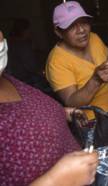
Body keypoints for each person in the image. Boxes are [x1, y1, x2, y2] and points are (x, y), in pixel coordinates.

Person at [0, 31, 98, 186]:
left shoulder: (6, 78)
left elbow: (28, 107)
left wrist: (61, 113)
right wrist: (57, 180)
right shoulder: (57, 60)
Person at [46, 1, 108, 120]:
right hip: (94, 122)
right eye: (71, 26)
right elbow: (71, 102)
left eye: (84, 23)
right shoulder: (56, 61)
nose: (81, 30)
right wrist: (95, 80)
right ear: (59, 32)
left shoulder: (94, 38)